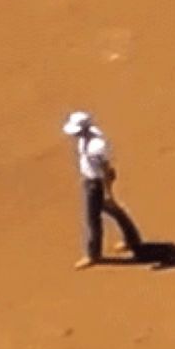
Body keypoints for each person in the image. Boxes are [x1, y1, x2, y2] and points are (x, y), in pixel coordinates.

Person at [62, 111, 143, 269]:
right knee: (114, 211)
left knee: (92, 219)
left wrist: (107, 192)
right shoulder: (86, 138)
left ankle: (93, 255)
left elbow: (106, 170)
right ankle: (132, 240)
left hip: (97, 184)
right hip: (90, 180)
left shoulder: (96, 146)